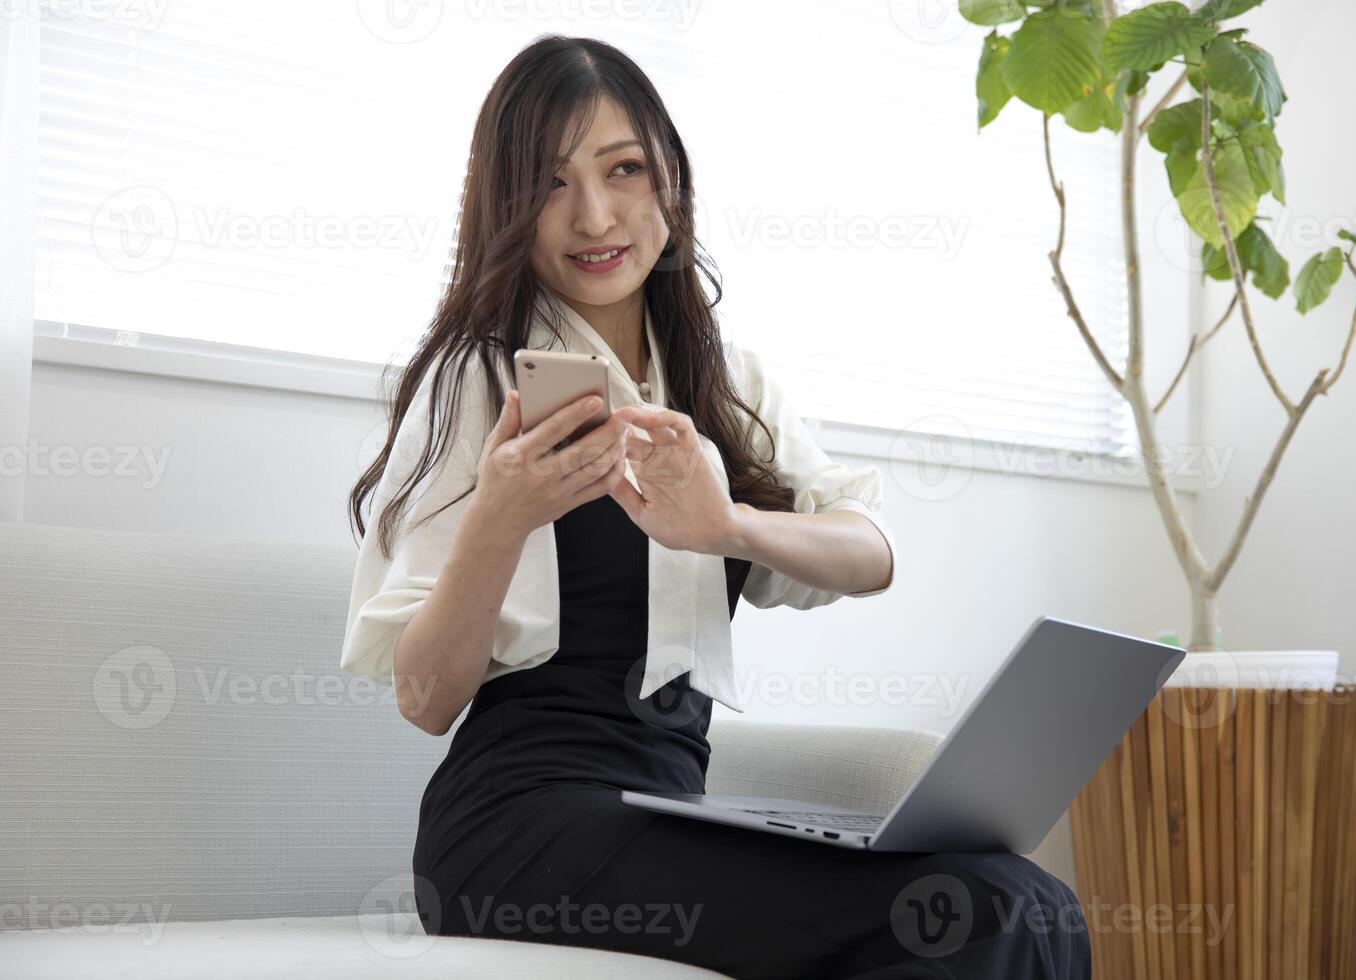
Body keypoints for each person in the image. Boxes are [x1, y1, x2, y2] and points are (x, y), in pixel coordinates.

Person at [341, 33, 1090, 980]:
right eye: (551, 183)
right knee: (976, 913)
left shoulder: (724, 380)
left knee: (1037, 904)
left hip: (669, 809)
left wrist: (727, 525)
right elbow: (423, 698)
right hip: (513, 832)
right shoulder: (480, 381)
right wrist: (500, 516)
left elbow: (873, 550)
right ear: (508, 206)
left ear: (672, 185)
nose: (596, 214)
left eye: (625, 171)